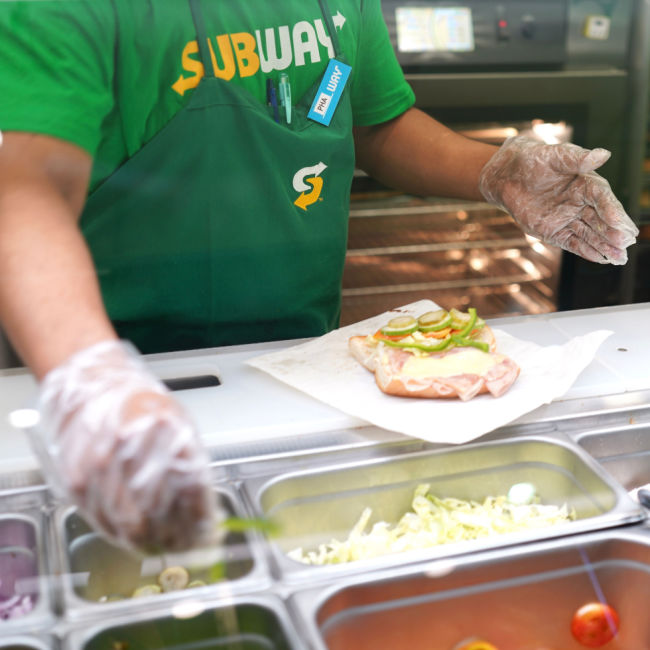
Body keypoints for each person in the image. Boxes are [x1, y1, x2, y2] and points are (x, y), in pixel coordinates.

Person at [0, 0, 638, 553]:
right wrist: (88, 381)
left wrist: (497, 171)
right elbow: (25, 187)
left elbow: (371, 123)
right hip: (123, 383)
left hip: (304, 366)